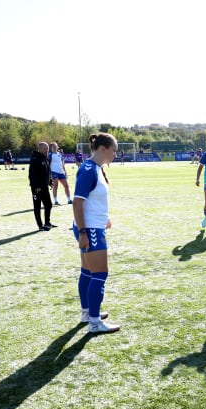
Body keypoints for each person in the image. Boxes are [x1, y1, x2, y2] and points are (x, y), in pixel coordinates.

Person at [72, 132, 120, 334]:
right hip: (89, 229)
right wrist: (83, 232)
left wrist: (103, 218)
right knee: (100, 274)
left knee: (87, 272)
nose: (115, 155)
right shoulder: (89, 170)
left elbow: (92, 200)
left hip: (92, 226)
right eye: (114, 150)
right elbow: (77, 202)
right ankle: (94, 322)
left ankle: (88, 314)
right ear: (103, 149)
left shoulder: (95, 168)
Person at [28, 141, 55, 231]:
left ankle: (47, 223)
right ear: (39, 149)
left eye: (47, 148)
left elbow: (48, 171)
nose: (47, 150)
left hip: (44, 187)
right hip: (37, 188)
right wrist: (36, 187)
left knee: (49, 205)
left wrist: (50, 181)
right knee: (37, 207)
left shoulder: (46, 158)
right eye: (45, 148)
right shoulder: (35, 159)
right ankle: (40, 225)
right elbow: (32, 175)